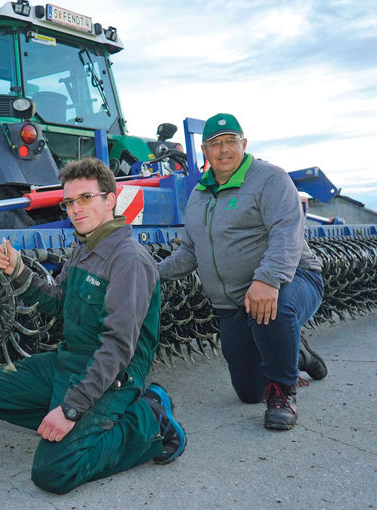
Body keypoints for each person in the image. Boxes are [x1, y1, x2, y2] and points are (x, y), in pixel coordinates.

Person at [0, 157, 186, 494]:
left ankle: (149, 421)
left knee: (53, 472)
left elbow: (116, 347)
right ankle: (80, 425)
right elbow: (57, 301)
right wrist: (20, 272)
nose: (74, 208)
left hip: (114, 373)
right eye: (69, 201)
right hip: (69, 361)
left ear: (110, 200)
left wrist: (71, 408)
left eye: (85, 198)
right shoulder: (84, 249)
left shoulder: (128, 260)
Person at [158, 113, 327, 430]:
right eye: (215, 144)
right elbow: (190, 252)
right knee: (249, 392)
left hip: (293, 280)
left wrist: (267, 279)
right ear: (205, 152)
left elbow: (286, 232)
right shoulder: (198, 197)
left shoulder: (269, 179)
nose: (224, 150)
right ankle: (295, 354)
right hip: (233, 304)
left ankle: (283, 394)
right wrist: (151, 273)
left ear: (244, 144)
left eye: (231, 142)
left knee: (272, 309)